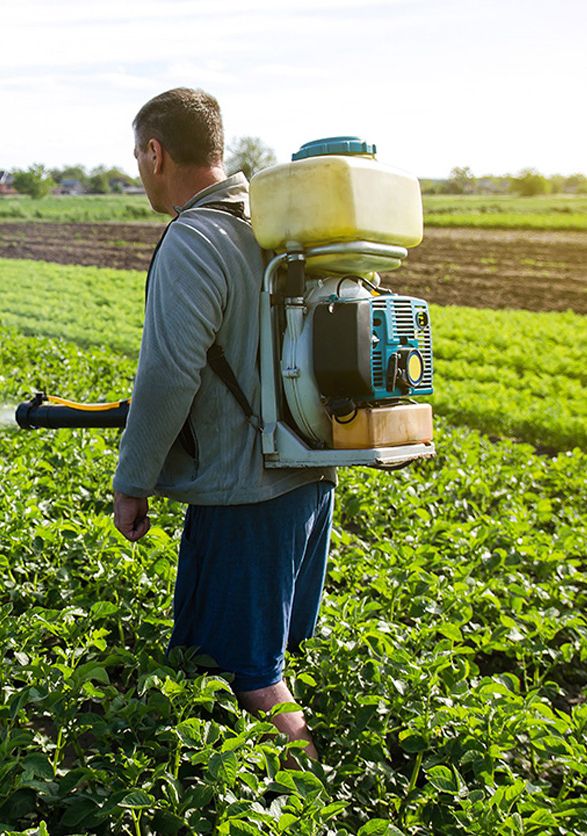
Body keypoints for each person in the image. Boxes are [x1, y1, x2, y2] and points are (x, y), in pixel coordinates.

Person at [111, 88, 337, 761]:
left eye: (136, 155)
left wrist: (133, 481)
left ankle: (317, 804)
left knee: (256, 678)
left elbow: (169, 376)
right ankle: (235, 792)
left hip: (247, 493)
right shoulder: (274, 224)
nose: (137, 169)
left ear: (156, 152)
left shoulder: (195, 237)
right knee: (231, 658)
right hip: (306, 474)